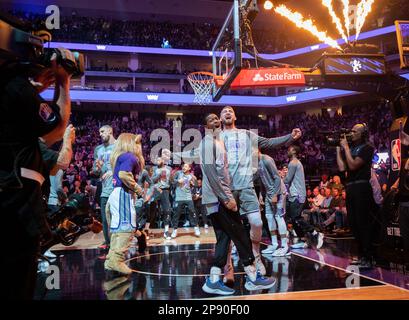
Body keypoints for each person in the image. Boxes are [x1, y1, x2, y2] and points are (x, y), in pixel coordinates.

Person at [0, 51, 72, 299]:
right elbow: (57, 128)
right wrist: (64, 80)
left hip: (13, 196)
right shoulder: (16, 88)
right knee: (18, 283)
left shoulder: (12, 94)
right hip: (15, 204)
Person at [220, 106, 301, 276]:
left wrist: (290, 137)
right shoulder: (216, 138)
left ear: (235, 116)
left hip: (246, 186)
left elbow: (269, 142)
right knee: (228, 230)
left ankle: (256, 254)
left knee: (257, 222)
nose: (227, 112)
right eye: (224, 111)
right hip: (226, 189)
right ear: (220, 119)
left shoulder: (246, 135)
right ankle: (228, 264)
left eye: (230, 111)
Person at [199, 114, 275, 295]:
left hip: (216, 199)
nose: (216, 121)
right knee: (240, 235)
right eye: (211, 120)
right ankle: (252, 277)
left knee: (224, 240)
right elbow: (211, 175)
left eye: (217, 118)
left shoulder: (216, 143)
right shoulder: (208, 143)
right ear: (205, 126)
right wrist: (227, 198)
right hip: (219, 199)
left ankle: (214, 280)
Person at [336, 123, 376, 268]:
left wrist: (346, 148)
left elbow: (353, 166)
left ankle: (369, 256)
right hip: (351, 187)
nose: (351, 133)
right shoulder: (352, 148)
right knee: (353, 223)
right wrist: (337, 149)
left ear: (362, 133)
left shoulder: (367, 148)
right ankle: (361, 255)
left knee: (362, 222)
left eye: (354, 131)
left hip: (362, 186)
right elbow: (342, 167)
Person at [104, 133, 144, 275]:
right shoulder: (130, 156)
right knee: (126, 227)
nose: (140, 146)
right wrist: (139, 189)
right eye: (137, 143)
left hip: (117, 194)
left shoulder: (122, 156)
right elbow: (124, 174)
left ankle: (110, 259)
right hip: (123, 195)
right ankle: (116, 260)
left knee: (118, 229)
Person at [285, 145, 324, 250]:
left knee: (296, 217)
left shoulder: (293, 163)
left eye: (290, 149)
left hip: (297, 194)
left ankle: (315, 233)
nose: (287, 150)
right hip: (294, 194)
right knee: (292, 219)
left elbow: (287, 180)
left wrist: (279, 175)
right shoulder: (294, 163)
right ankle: (303, 240)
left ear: (294, 151)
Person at [258, 152, 290, 257]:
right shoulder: (256, 162)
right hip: (268, 193)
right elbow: (262, 179)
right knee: (269, 217)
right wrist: (261, 194)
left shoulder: (267, 159)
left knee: (278, 217)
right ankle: (275, 244)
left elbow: (277, 177)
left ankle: (285, 246)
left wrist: (275, 194)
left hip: (278, 192)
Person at [92, 125, 116, 251]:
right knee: (105, 218)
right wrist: (97, 167)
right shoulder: (98, 149)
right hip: (105, 187)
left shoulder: (119, 145)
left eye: (102, 131)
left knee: (118, 217)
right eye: (99, 132)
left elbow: (126, 163)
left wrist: (113, 171)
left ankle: (119, 242)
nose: (100, 134)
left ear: (110, 131)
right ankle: (108, 244)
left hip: (118, 187)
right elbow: (95, 171)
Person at [170, 163, 201, 238]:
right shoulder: (178, 173)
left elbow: (197, 186)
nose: (184, 167)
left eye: (186, 166)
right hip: (179, 197)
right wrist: (177, 181)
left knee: (192, 212)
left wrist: (196, 193)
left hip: (188, 197)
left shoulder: (192, 177)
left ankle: (196, 228)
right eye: (183, 166)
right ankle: (175, 230)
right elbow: (171, 181)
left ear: (189, 168)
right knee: (176, 214)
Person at [152, 156, 173, 240]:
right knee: (151, 209)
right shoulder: (154, 169)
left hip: (165, 191)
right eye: (156, 160)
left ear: (163, 161)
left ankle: (166, 231)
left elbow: (171, 180)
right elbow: (151, 180)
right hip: (156, 190)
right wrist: (158, 176)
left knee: (167, 210)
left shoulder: (169, 169)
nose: (157, 161)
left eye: (158, 159)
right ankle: (146, 229)